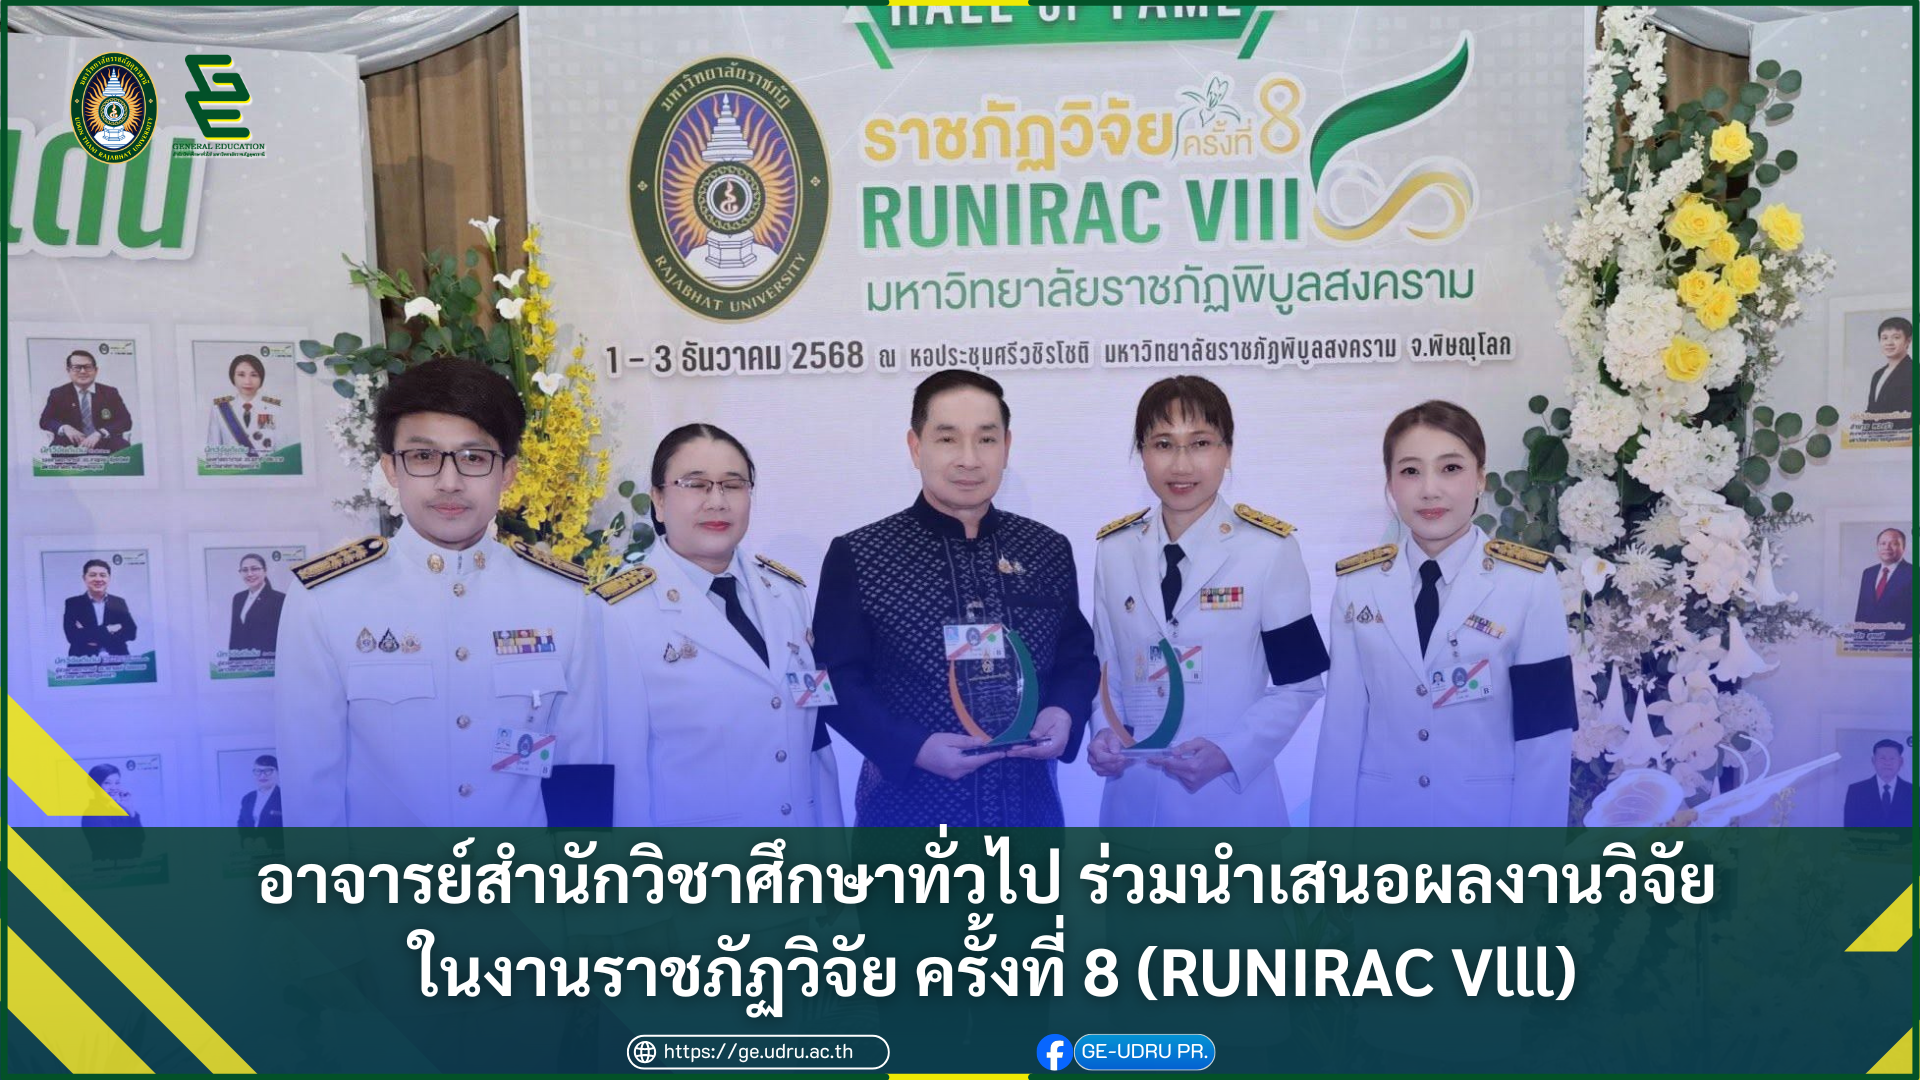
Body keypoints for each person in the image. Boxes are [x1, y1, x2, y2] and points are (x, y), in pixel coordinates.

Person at [272, 358, 605, 827]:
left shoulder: (563, 599)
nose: (450, 482)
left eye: (474, 458)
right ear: (391, 468)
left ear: (508, 472)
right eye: (424, 457)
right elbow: (311, 787)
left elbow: (579, 765)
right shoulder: (327, 601)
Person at [812, 370, 1101, 827]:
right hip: (907, 824)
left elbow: (1076, 657)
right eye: (948, 439)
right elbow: (833, 681)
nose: (969, 459)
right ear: (916, 447)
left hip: (1030, 820)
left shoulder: (1046, 548)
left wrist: (1064, 712)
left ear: (1006, 446)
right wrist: (912, 747)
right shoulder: (862, 554)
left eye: (986, 440)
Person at [1311, 401, 1577, 827]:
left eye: (1450, 468)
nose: (1429, 490)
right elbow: (1341, 732)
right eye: (1410, 471)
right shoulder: (1358, 585)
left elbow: (1545, 736)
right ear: (1390, 484)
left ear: (1480, 478)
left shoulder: (1527, 583)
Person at [1087, 376, 1329, 826]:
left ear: (1227, 451)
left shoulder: (1268, 550)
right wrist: (1105, 733)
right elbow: (1107, 673)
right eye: (1163, 444)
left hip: (1232, 811)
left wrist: (1229, 753)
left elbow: (1299, 684)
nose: (1181, 464)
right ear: (1141, 453)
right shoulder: (1114, 550)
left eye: (1200, 443)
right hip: (1132, 810)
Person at [597, 423, 841, 826]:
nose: (717, 501)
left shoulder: (787, 595)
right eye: (695, 485)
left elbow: (814, 741)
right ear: (658, 500)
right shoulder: (618, 614)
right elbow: (619, 769)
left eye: (733, 485)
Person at [38, 349, 133, 451]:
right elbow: (45, 421)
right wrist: (65, 427)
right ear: (68, 370)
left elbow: (126, 421)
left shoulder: (110, 392)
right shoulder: (58, 393)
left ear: (96, 370)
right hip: (70, 445)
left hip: (106, 442)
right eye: (77, 367)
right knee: (58, 450)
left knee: (124, 450)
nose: (83, 371)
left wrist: (101, 433)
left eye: (88, 367)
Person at [206, 353, 283, 457]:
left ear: (261, 378)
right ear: (233, 377)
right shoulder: (220, 409)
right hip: (232, 467)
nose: (248, 381)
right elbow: (213, 453)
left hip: (266, 467)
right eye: (241, 375)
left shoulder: (274, 408)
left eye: (254, 375)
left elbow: (282, 451)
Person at [63, 559, 137, 657]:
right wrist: (109, 629)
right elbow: (72, 636)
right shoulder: (73, 603)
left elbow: (131, 632)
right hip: (83, 660)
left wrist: (88, 634)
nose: (98, 579)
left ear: (109, 578)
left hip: (117, 660)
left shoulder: (119, 602)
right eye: (92, 575)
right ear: (84, 578)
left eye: (102, 575)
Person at [1853, 527, 1912, 640]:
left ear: (1903, 547)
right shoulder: (1868, 573)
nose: (1887, 547)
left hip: (1900, 644)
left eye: (1894, 543)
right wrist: (1858, 641)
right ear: (1877, 546)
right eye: (1883, 543)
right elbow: (1861, 611)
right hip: (1868, 643)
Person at [81, 763, 146, 861]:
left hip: (129, 865)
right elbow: (116, 846)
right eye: (107, 783)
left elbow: (141, 838)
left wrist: (130, 810)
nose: (113, 787)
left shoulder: (120, 808)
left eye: (117, 783)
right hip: (109, 868)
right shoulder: (93, 812)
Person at [1843, 739, 1912, 827]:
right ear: (1873, 760)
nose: (1887, 763)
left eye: (1892, 758)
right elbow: (1850, 827)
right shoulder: (1856, 791)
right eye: (1882, 758)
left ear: (1901, 762)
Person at [228, 552, 286, 654]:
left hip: (267, 659)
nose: (249, 574)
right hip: (241, 660)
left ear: (265, 571)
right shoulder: (238, 598)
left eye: (254, 569)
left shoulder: (279, 599)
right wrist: (233, 660)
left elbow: (283, 636)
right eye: (245, 570)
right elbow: (235, 635)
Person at [1866, 316, 1912, 422]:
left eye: (1896, 337)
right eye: (1885, 338)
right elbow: (1871, 411)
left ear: (1908, 341)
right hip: (1875, 432)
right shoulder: (1878, 375)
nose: (1889, 343)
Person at [237, 754, 284, 830]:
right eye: (258, 771)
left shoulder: (284, 797)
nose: (262, 776)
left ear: (278, 772)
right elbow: (241, 824)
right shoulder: (247, 798)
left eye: (268, 771)